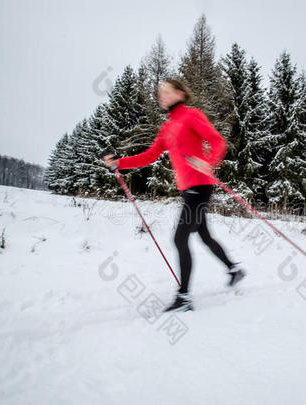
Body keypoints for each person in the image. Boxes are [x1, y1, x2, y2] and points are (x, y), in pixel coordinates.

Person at [102, 78, 246, 312]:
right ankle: (234, 269)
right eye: (160, 93)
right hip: (187, 190)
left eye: (167, 92)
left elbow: (218, 142)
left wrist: (208, 162)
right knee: (204, 236)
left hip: (200, 186)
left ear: (180, 93)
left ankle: (184, 297)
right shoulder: (167, 127)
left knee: (180, 238)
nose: (162, 96)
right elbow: (149, 156)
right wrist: (119, 163)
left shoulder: (192, 115)